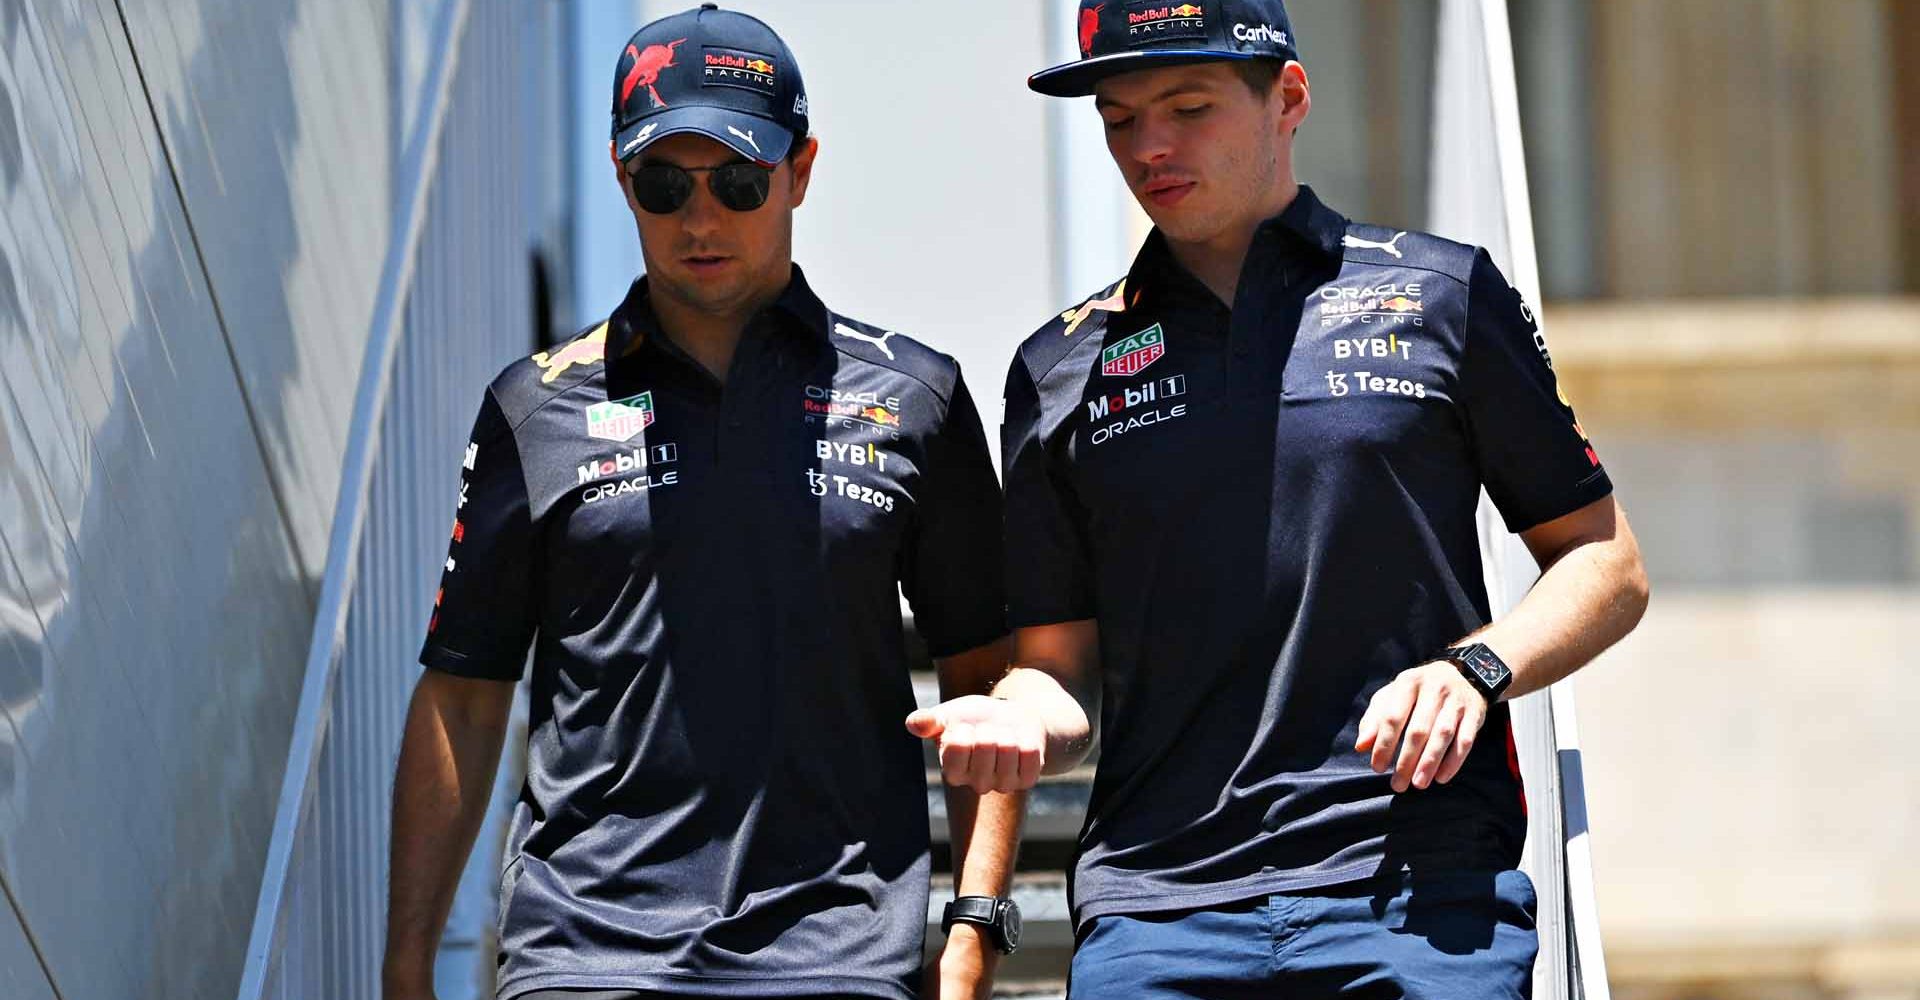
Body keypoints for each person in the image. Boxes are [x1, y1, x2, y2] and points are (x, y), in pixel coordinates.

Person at [906, 1, 1651, 996]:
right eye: (1120, 119)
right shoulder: (1059, 367)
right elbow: (1055, 667)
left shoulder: (1439, 293)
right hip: (1156, 911)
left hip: (1418, 894)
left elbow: (1609, 562)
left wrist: (1478, 668)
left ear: (1287, 97)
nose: (1151, 146)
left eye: (1188, 106)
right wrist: (1019, 718)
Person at [382, 6, 1012, 999]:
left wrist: (975, 933)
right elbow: (462, 692)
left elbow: (987, 687)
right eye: (663, 184)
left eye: (739, 180)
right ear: (621, 178)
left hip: (838, 961)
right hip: (581, 958)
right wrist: (407, 960)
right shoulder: (532, 406)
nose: (701, 219)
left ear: (801, 171)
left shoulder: (916, 398)